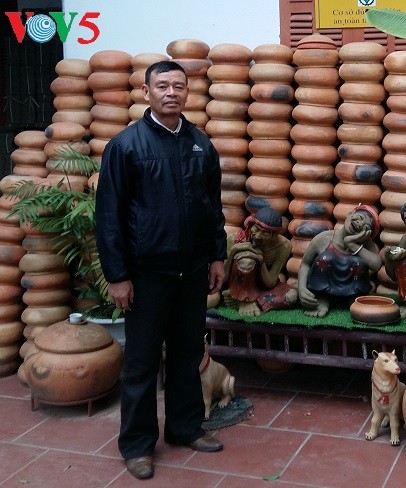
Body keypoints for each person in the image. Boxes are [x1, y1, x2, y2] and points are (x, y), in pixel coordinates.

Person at [96, 60, 227, 480]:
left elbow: (213, 209)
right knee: (141, 362)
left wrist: (217, 256)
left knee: (188, 353)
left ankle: (185, 427)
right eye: (162, 86)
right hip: (147, 274)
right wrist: (118, 276)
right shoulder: (127, 146)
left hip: (191, 271)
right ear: (147, 92)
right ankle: (136, 445)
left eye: (178, 86)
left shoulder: (200, 145)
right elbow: (109, 217)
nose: (171, 92)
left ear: (188, 93)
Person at [298, 205, 382, 317]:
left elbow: (376, 265)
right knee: (326, 258)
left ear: (367, 234)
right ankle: (323, 299)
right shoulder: (324, 238)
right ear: (350, 213)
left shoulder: (365, 245)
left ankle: (353, 300)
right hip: (323, 292)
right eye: (360, 218)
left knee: (358, 262)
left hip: (354, 293)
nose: (360, 224)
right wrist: (302, 288)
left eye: (365, 227)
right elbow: (305, 264)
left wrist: (352, 244)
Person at [222, 208, 298, 316]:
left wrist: (260, 259)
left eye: (265, 233)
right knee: (246, 260)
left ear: (274, 235)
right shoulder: (235, 239)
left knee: (292, 296)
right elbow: (223, 277)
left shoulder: (284, 246)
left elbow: (270, 283)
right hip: (240, 284)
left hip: (262, 288)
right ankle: (244, 299)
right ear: (250, 225)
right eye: (256, 229)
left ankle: (248, 301)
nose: (257, 236)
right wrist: (234, 250)